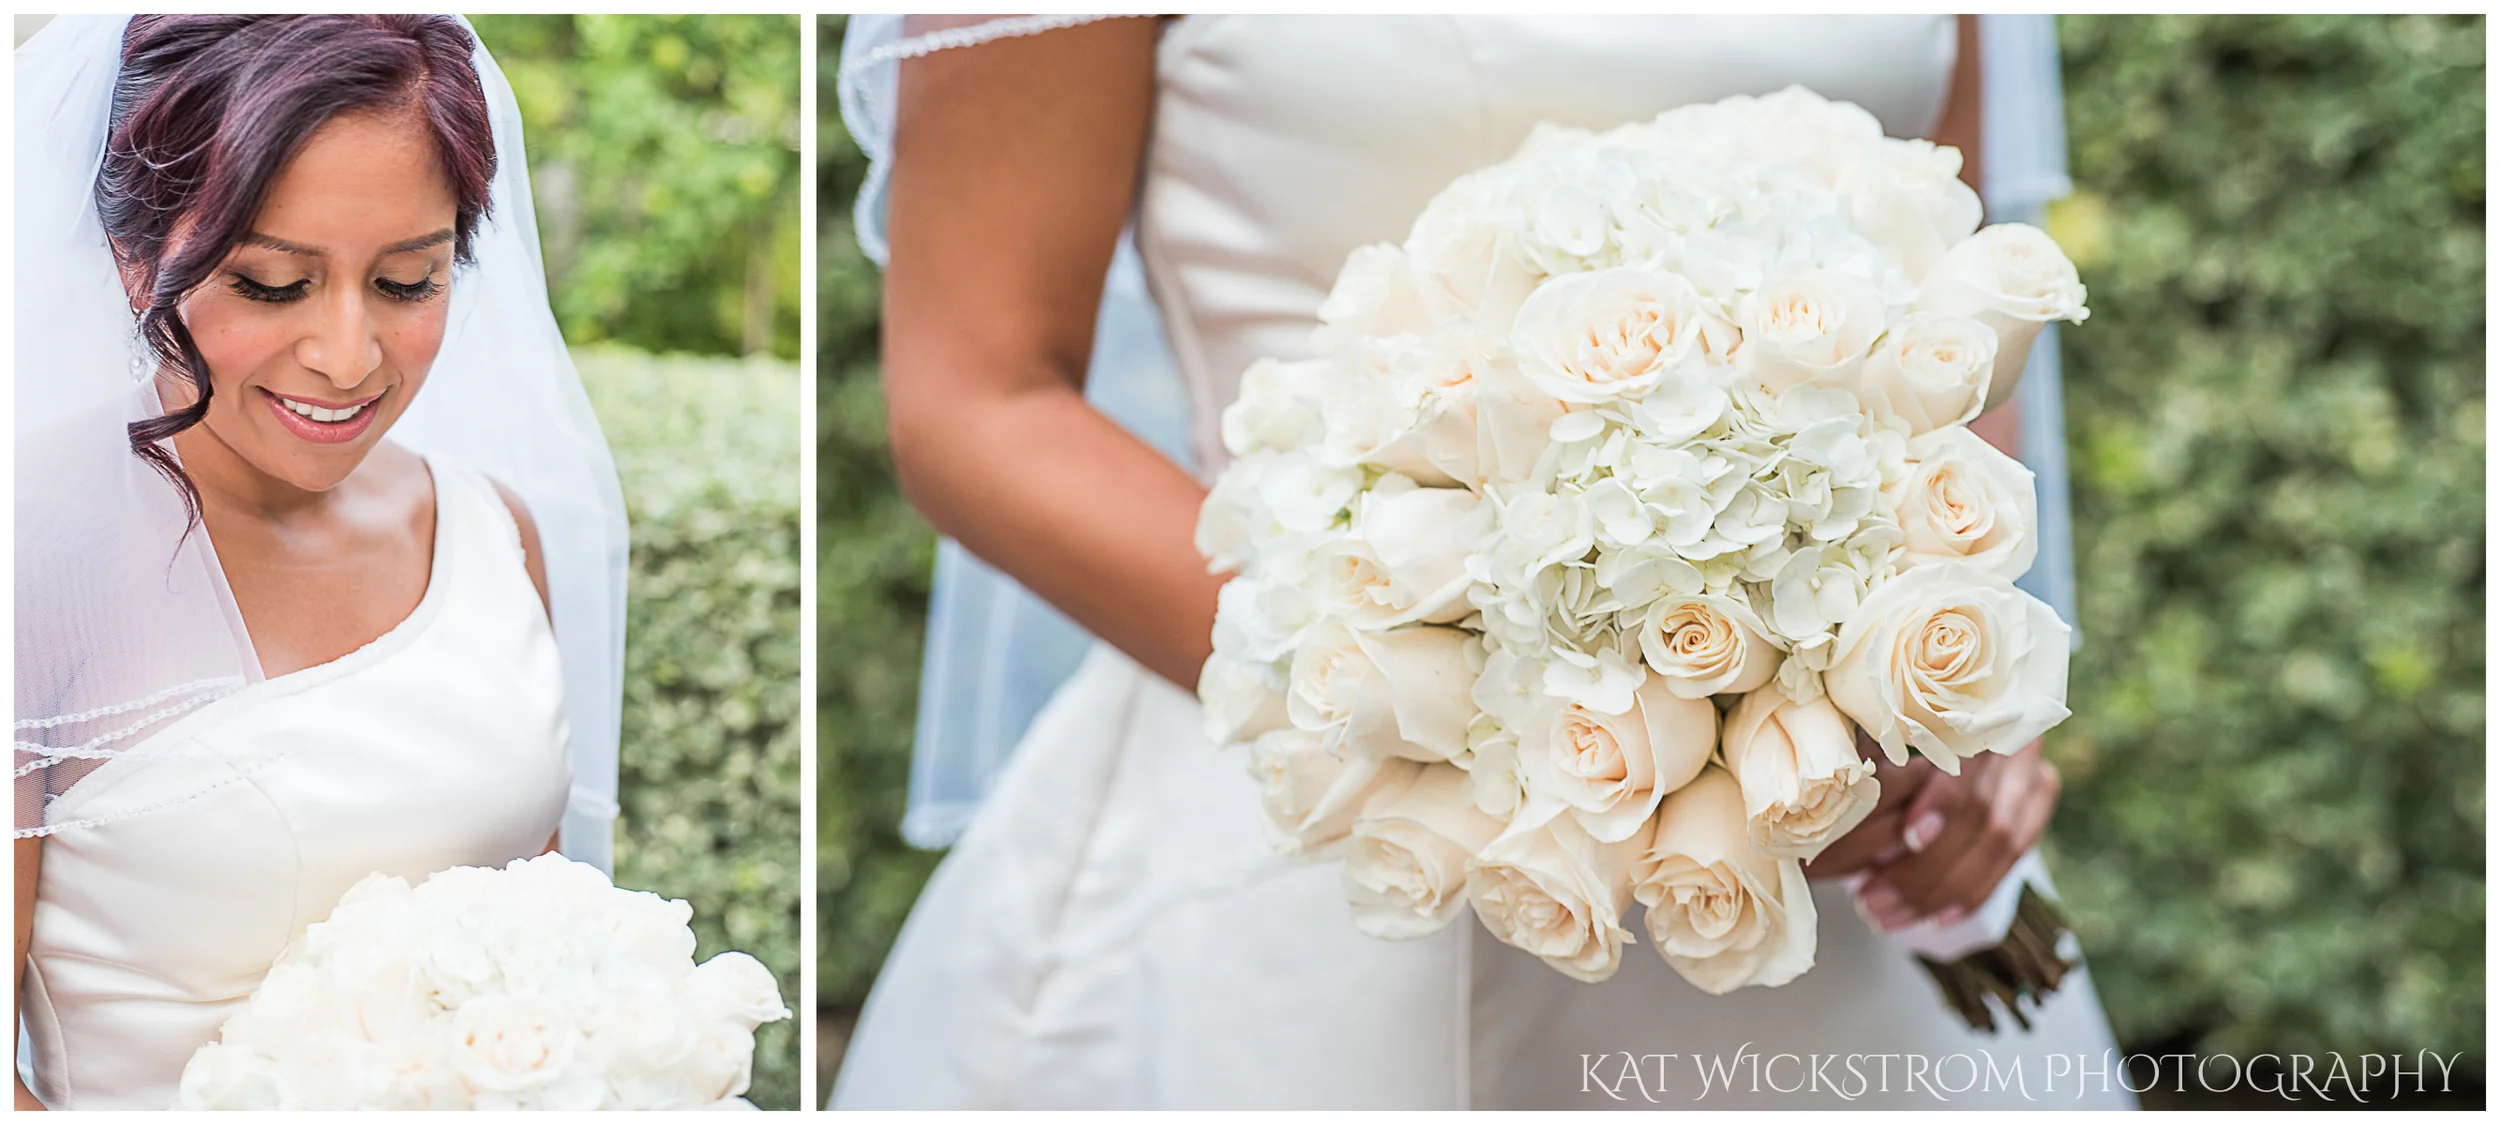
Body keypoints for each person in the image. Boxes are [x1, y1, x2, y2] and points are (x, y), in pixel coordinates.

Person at [833, 15, 2131, 1109]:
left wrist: (1938, 695)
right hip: (1319, 811)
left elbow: (1953, 297)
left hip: (1841, 832)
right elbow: (978, 400)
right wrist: (1516, 722)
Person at [12, 15, 626, 1110]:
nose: (347, 360)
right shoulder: (30, 560)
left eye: (406, 284)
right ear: (135, 257)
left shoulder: (497, 534)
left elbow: (550, 947)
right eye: (273, 285)